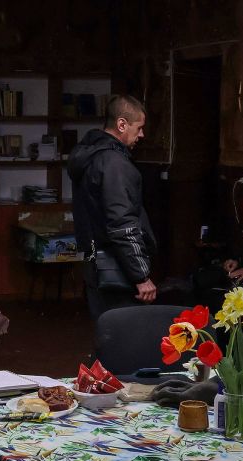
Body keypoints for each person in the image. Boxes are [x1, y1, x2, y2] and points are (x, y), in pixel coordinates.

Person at [68, 94, 157, 321]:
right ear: (121, 124)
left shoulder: (91, 155)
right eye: (139, 128)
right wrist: (141, 276)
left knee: (106, 336)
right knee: (125, 341)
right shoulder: (114, 164)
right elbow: (122, 224)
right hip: (115, 269)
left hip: (95, 264)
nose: (142, 135)